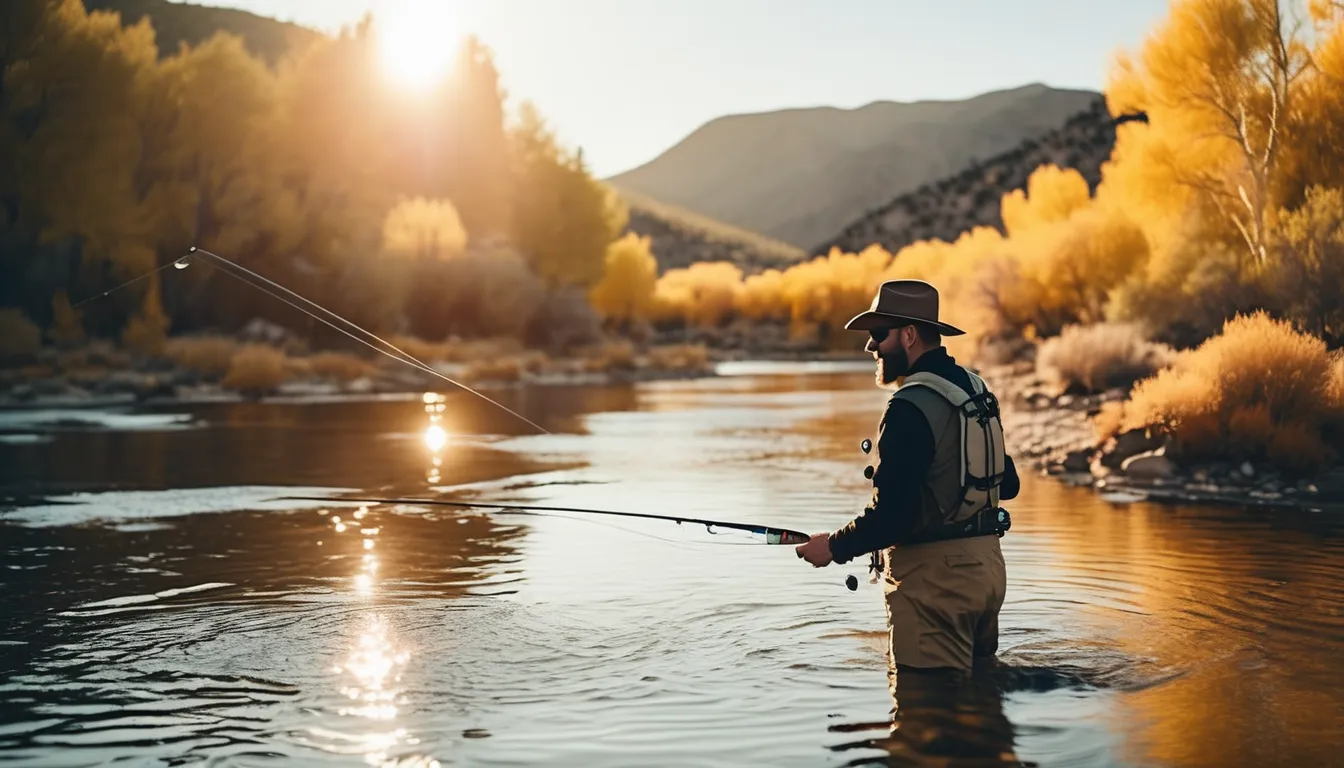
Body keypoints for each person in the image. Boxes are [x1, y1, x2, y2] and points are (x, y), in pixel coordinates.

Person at [795, 278, 1021, 675]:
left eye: (879, 335)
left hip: (937, 587)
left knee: (925, 711)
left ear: (910, 335)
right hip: (988, 574)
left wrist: (832, 546)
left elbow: (893, 516)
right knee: (976, 707)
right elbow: (1008, 483)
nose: (871, 347)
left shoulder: (908, 407)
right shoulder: (975, 391)